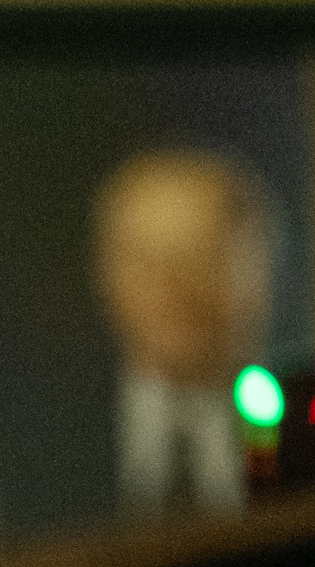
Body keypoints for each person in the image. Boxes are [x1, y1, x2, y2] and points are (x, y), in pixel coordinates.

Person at [92, 150, 277, 520]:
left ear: (259, 271)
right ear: (106, 274)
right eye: (150, 262)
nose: (174, 290)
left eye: (201, 257)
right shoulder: (39, 451)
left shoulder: (310, 425)